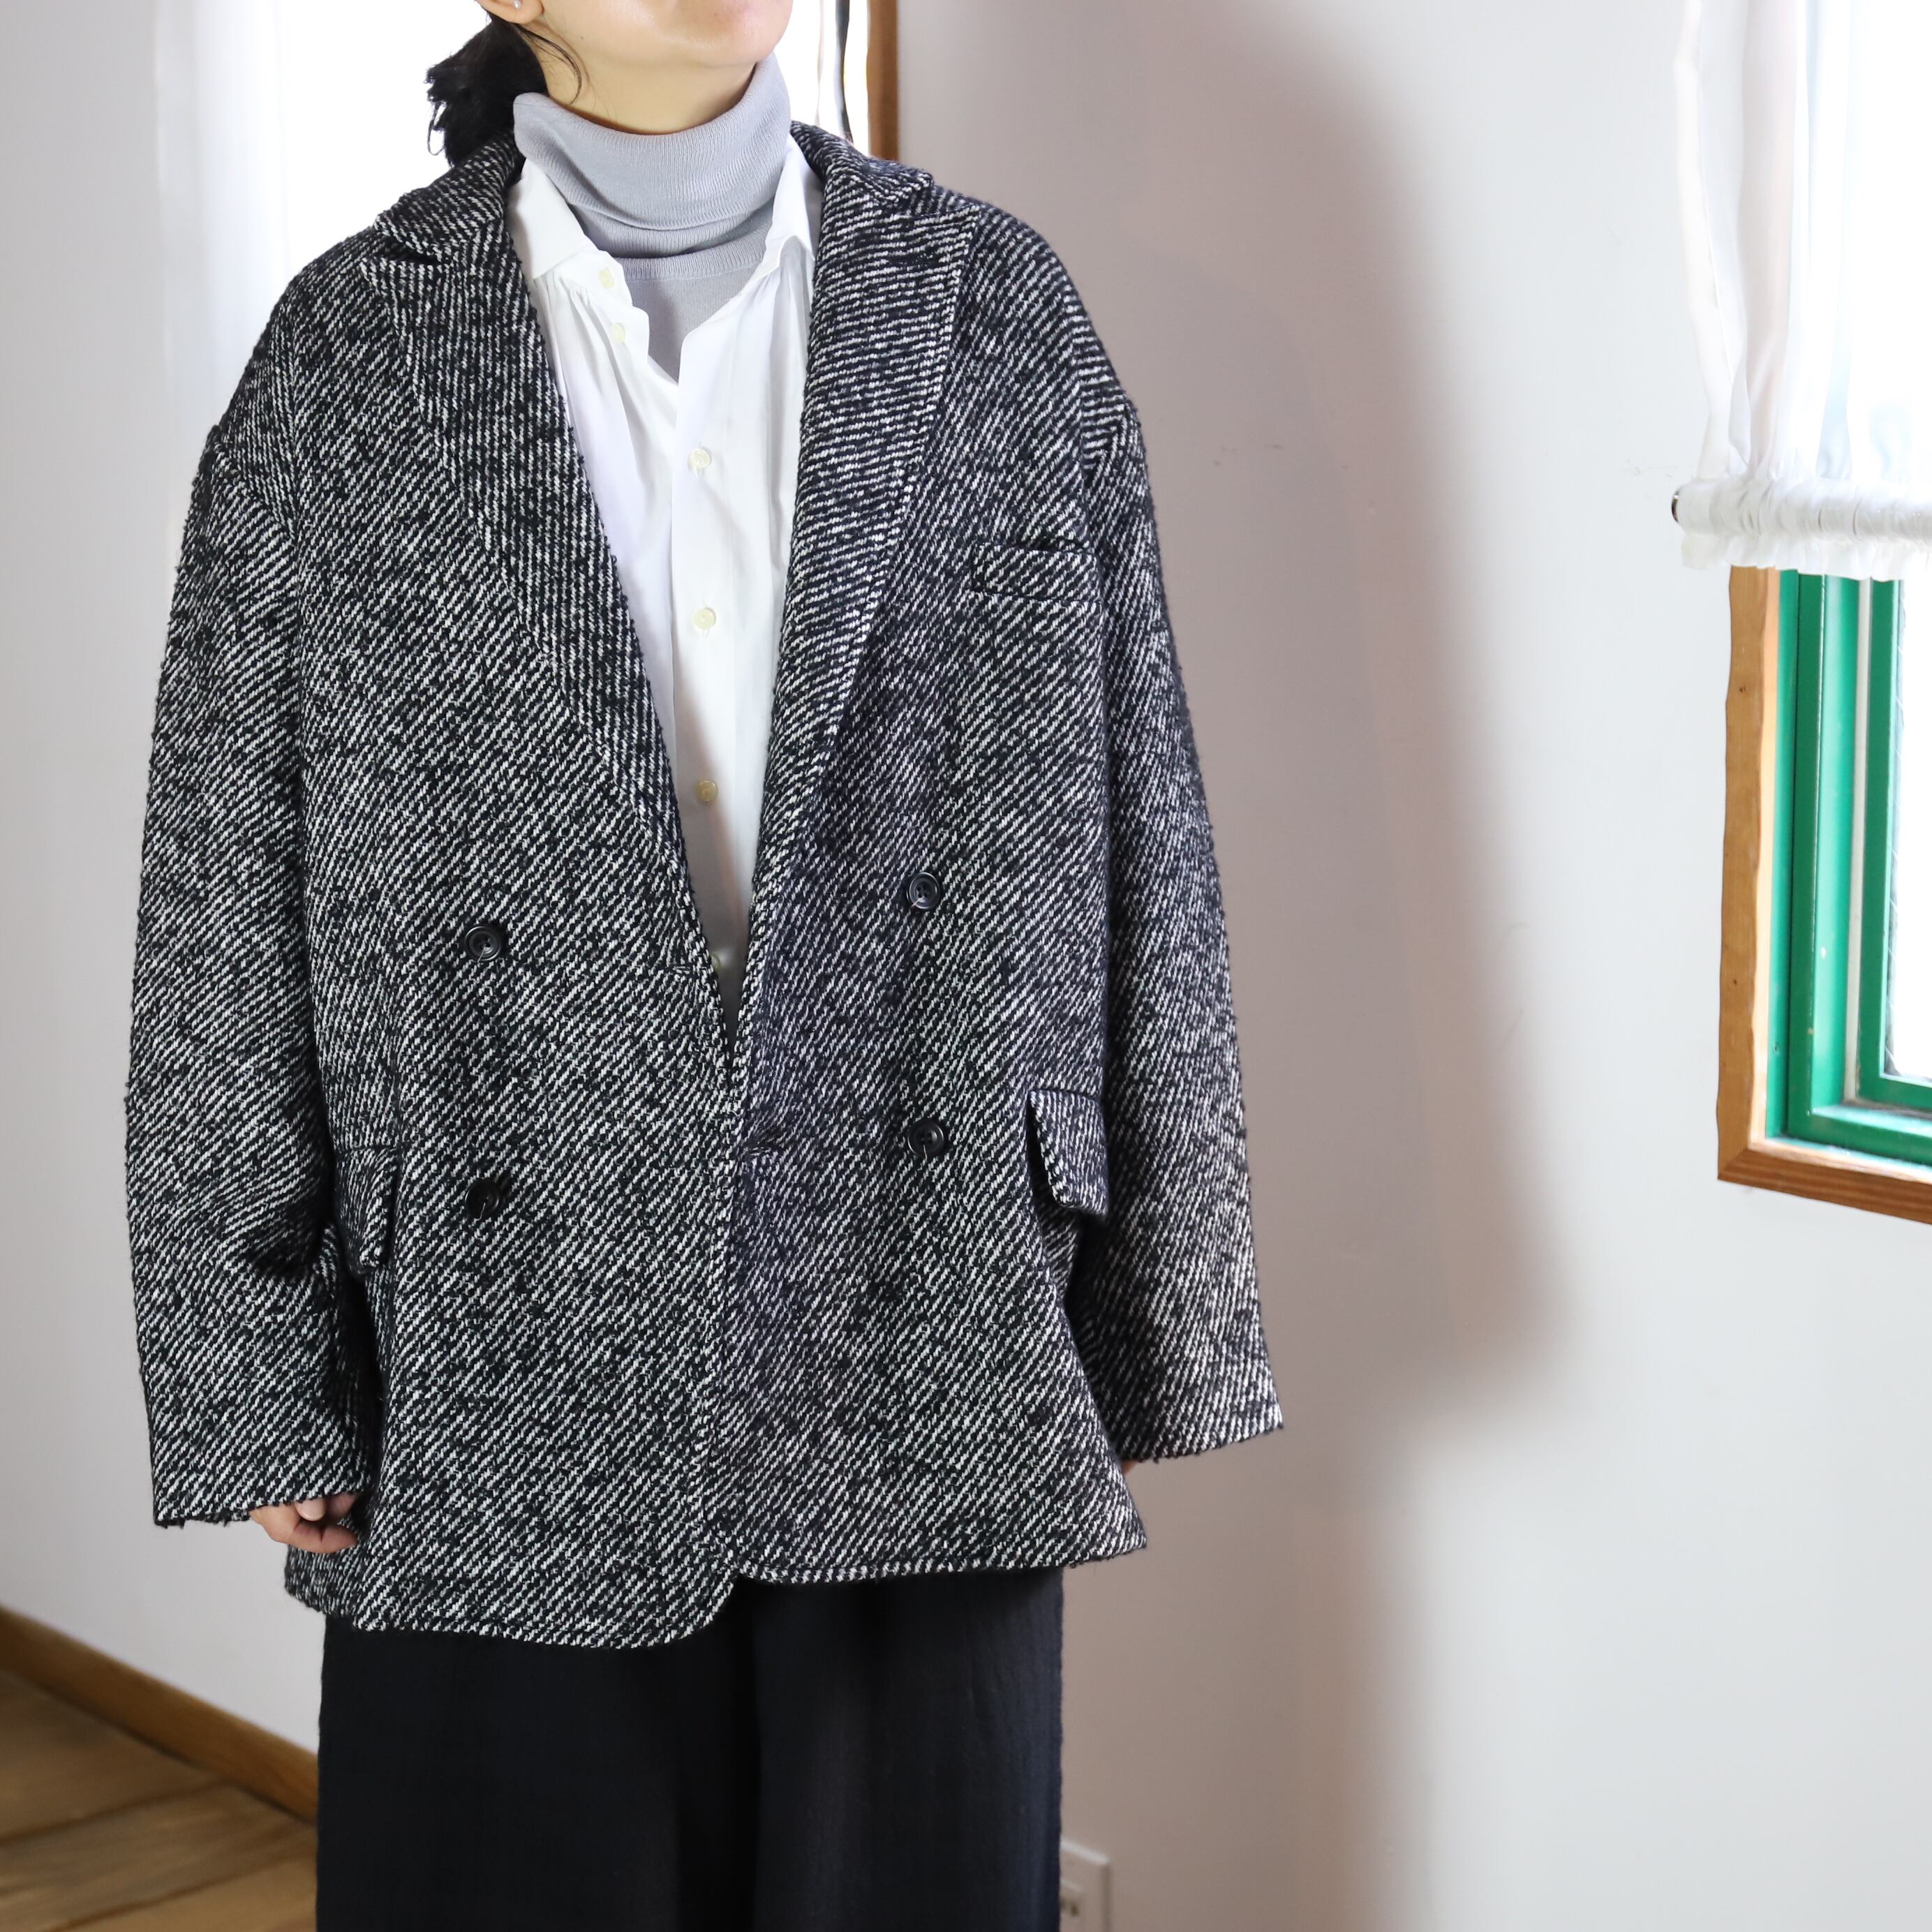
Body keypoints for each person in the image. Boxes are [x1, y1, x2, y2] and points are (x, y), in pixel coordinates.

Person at [124, 1, 1280, 1926]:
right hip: (489, 1355)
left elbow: (1141, 817)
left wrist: (1166, 1306)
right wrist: (252, 1360)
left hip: (927, 1317)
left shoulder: (996, 310)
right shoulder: (344, 353)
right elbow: (225, 888)